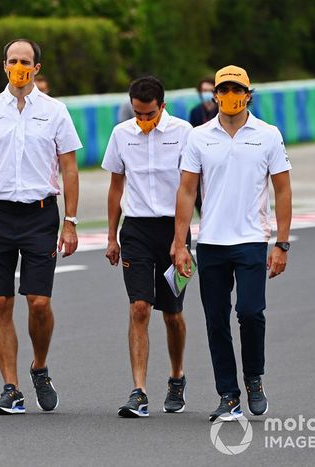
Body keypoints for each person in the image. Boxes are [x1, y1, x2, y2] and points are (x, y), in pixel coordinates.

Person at [0, 38, 82, 415]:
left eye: (25, 61)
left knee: (39, 302)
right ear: (4, 65)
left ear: (37, 68)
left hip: (40, 215)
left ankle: (39, 366)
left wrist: (71, 221)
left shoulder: (56, 111)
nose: (19, 66)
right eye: (13, 60)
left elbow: (70, 167)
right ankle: (10, 387)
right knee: (0, 302)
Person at [172, 65, 292, 422]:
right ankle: (228, 394)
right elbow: (186, 190)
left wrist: (282, 243)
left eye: (236, 90)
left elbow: (283, 189)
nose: (229, 95)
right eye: (223, 90)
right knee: (215, 320)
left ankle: (254, 377)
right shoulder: (199, 136)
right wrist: (180, 243)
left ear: (248, 95)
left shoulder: (268, 135)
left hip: (252, 240)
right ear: (215, 96)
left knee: (251, 312)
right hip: (211, 243)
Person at [103, 76, 193, 418]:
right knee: (139, 307)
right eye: (138, 114)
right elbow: (115, 188)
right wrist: (112, 236)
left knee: (172, 313)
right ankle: (139, 391)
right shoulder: (121, 134)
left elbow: (193, 188)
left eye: (150, 114)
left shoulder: (185, 133)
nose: (143, 120)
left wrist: (183, 241)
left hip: (176, 232)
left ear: (163, 106)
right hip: (136, 229)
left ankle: (176, 376)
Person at [188, 77, 217, 216]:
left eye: (209, 90)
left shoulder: (221, 110)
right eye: (203, 91)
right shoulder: (195, 112)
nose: (206, 93)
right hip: (201, 156)